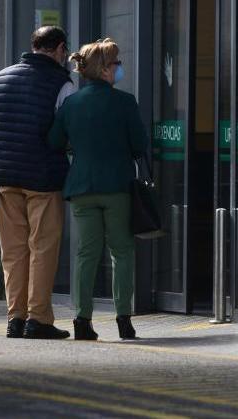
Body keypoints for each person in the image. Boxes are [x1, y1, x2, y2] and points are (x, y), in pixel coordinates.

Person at [0, 26, 75, 340]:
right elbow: (66, 129)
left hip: (6, 176)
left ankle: (15, 318)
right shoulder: (62, 83)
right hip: (43, 178)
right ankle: (38, 318)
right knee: (42, 248)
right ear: (59, 49)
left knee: (13, 251)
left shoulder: (1, 78)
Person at [48, 38, 147, 341]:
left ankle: (82, 320)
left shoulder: (71, 103)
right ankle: (124, 321)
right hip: (117, 186)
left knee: (85, 254)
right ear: (104, 70)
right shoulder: (125, 102)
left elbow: (54, 141)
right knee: (122, 252)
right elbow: (139, 146)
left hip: (81, 186)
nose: (120, 68)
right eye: (117, 64)